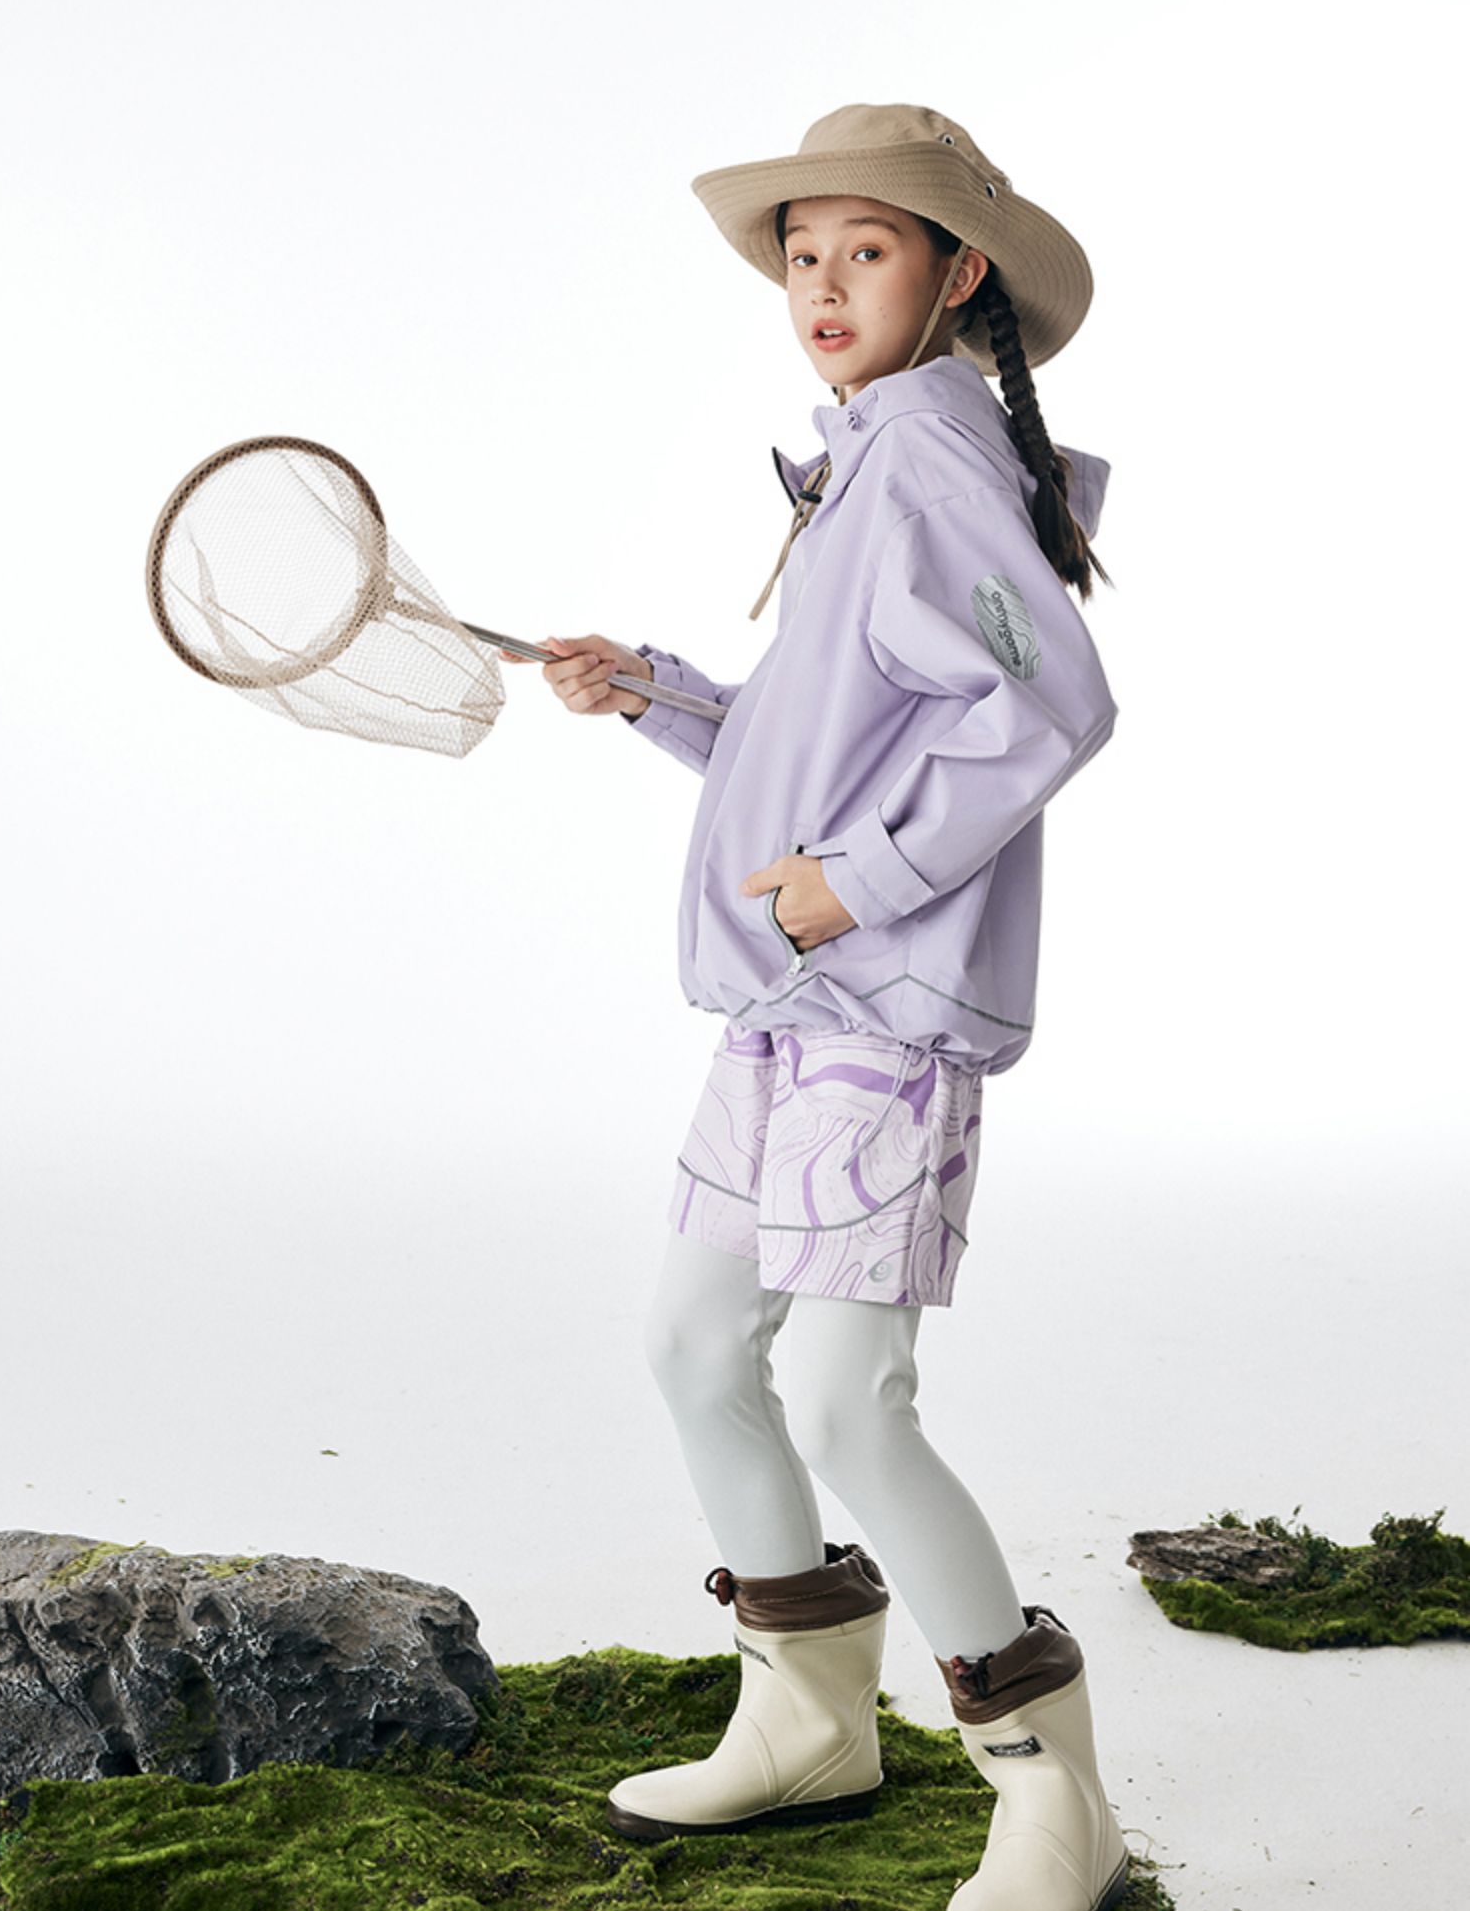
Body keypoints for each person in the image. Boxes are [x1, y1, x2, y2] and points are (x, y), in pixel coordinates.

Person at [500, 102, 1128, 1911]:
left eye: (869, 248)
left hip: (883, 1011)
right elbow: (828, 737)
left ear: (960, 272)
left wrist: (863, 878)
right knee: (699, 1343)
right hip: (793, 1003)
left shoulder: (925, 455)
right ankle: (805, 1715)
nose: (824, 283)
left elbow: (1054, 702)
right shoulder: (869, 457)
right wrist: (662, 695)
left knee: (850, 1399)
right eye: (803, 253)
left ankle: (1052, 1791)